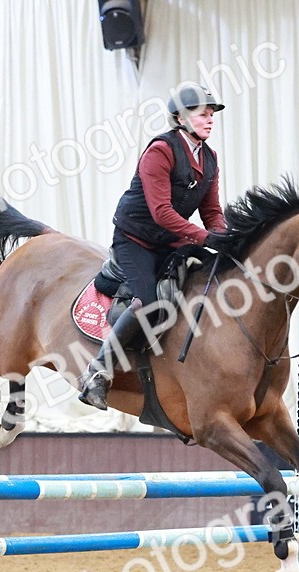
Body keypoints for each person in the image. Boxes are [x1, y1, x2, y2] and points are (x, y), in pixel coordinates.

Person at [77, 83, 228, 411]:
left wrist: (225, 238)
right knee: (147, 301)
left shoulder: (210, 159)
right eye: (202, 113)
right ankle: (97, 374)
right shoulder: (160, 151)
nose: (209, 118)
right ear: (180, 118)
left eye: (211, 113)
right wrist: (204, 237)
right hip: (136, 239)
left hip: (171, 240)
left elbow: (212, 212)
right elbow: (161, 213)